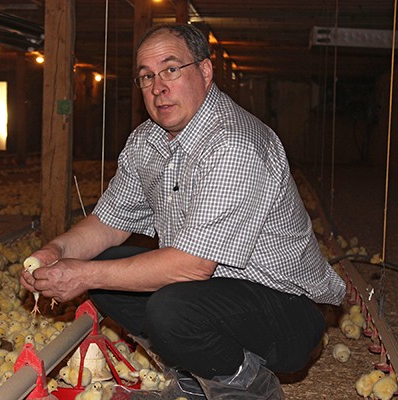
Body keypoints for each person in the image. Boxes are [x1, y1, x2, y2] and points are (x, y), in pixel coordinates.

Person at [21, 23, 346, 397]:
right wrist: (56, 253)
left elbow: (192, 266)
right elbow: (107, 223)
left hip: (286, 313)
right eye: (146, 76)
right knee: (108, 264)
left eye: (171, 70)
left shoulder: (235, 145)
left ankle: (248, 387)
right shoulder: (147, 142)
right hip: (214, 295)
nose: (158, 87)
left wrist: (84, 274)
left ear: (205, 72)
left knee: (170, 308)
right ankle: (193, 381)